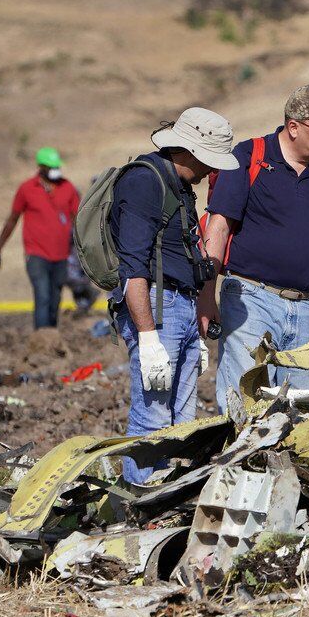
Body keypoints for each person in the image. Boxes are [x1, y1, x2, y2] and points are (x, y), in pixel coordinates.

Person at [200, 85, 309, 409]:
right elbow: (218, 225)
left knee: (302, 410)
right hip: (250, 300)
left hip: (307, 310)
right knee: (244, 404)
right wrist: (206, 295)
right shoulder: (249, 157)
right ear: (293, 127)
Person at [110, 107, 238, 484]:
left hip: (179, 307)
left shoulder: (180, 186)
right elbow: (133, 269)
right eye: (208, 162)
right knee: (152, 416)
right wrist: (148, 338)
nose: (210, 171)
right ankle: (138, 500)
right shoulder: (143, 182)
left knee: (182, 418)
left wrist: (192, 327)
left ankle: (169, 499)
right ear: (191, 151)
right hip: (154, 307)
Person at [0, 147, 80, 329]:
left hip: (62, 255)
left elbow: (78, 219)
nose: (56, 170)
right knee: (43, 295)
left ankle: (51, 337)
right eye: (51, 166)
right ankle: (41, 338)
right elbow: (12, 219)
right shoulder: (27, 189)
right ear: (41, 167)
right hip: (36, 254)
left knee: (55, 298)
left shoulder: (67, 187)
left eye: (57, 166)